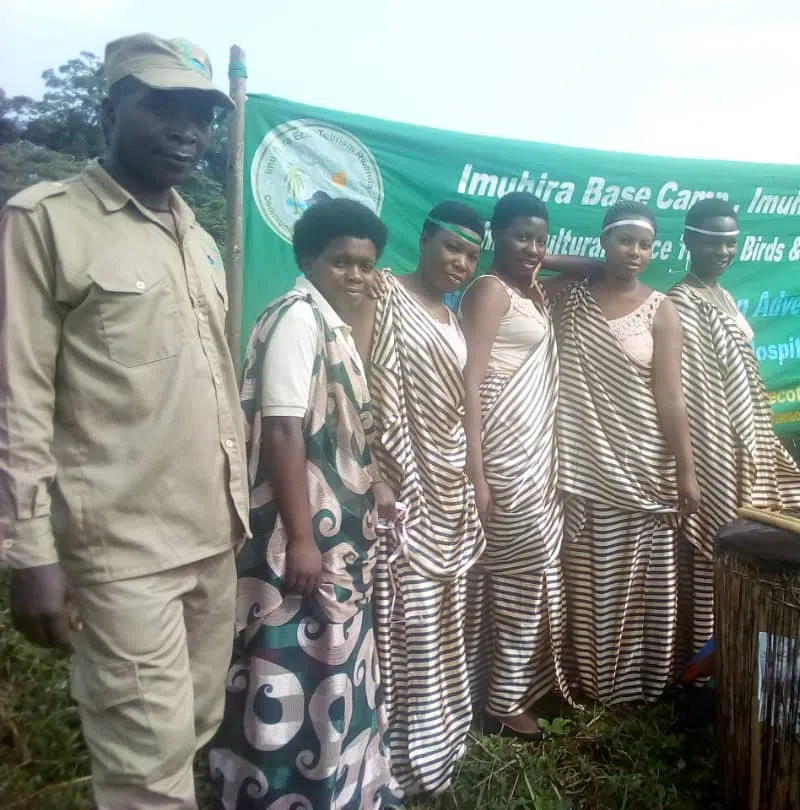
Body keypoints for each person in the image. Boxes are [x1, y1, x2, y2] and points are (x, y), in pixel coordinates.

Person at [0, 34, 247, 809]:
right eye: (161, 107)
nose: (186, 130)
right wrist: (28, 550)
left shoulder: (199, 239)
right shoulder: (47, 223)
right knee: (145, 764)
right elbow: (18, 394)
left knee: (195, 729)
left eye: (201, 116)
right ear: (108, 110)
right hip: (121, 552)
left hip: (212, 536)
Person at [207, 199, 401, 809]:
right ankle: (280, 791)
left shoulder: (330, 323)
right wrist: (301, 538)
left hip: (335, 528)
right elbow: (286, 430)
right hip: (300, 533)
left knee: (333, 664)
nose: (355, 275)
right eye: (340, 261)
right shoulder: (297, 319)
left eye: (366, 264)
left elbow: (343, 424)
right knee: (289, 661)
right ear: (306, 260)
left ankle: (336, 784)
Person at [353, 201, 486, 796]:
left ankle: (440, 742)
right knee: (403, 621)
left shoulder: (455, 319)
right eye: (452, 247)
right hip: (397, 489)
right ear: (426, 237)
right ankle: (397, 756)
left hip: (447, 486)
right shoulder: (382, 294)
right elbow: (355, 383)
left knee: (442, 620)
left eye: (472, 256)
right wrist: (375, 474)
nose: (460, 263)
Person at [550, 200, 700, 706]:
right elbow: (527, 263)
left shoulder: (662, 309)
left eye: (645, 244)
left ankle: (641, 685)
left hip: (644, 467)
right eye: (624, 241)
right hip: (584, 468)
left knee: (644, 579)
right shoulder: (567, 298)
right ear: (603, 240)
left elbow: (672, 396)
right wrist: (595, 269)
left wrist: (686, 470)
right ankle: (592, 681)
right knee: (589, 575)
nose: (635, 252)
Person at [665, 199, 800, 660]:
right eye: (713, 240)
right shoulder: (680, 302)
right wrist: (706, 459)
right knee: (721, 541)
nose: (724, 250)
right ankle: (710, 654)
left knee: (762, 529)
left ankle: (742, 634)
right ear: (689, 240)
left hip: (749, 434)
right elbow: (692, 389)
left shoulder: (722, 296)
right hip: (716, 445)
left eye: (731, 241)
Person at [458, 192, 569, 739]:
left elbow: (598, 268)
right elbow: (470, 383)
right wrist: (476, 474)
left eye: (541, 239)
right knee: (521, 577)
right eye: (521, 236)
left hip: (536, 451)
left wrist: (541, 260)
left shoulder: (533, 293)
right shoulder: (489, 291)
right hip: (502, 456)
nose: (532, 248)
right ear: (493, 237)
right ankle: (502, 704)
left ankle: (499, 688)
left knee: (517, 577)